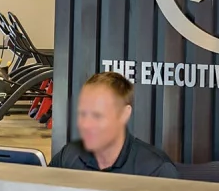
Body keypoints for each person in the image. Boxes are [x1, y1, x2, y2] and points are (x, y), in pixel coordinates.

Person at [50, 72, 179, 178]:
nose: (86, 124)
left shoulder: (156, 169)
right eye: (83, 114)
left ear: (124, 114)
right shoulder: (69, 156)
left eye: (97, 115)